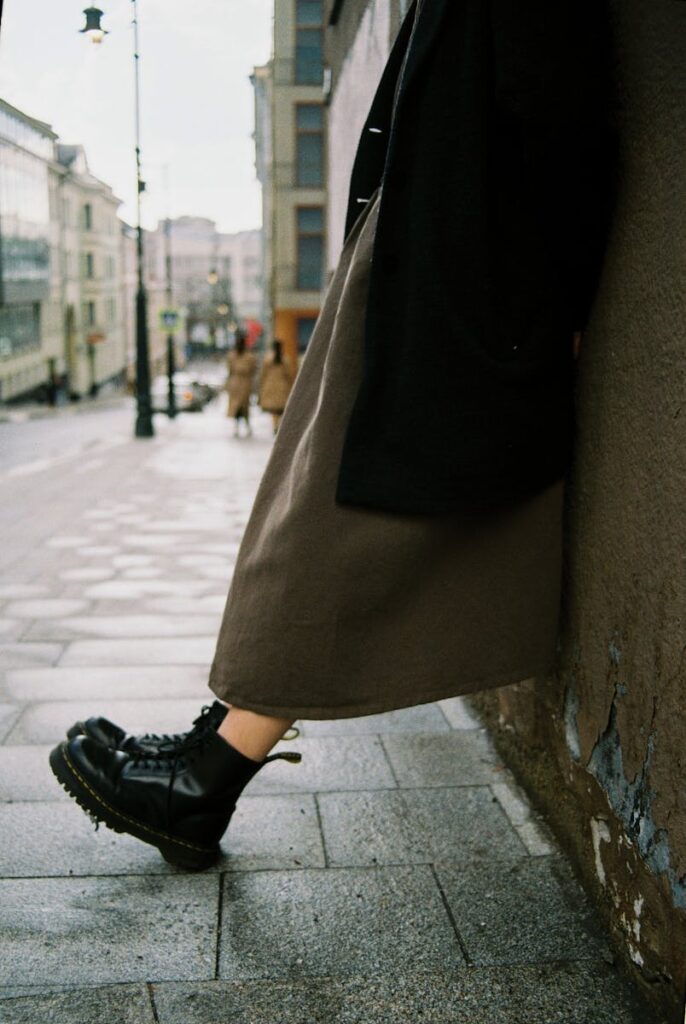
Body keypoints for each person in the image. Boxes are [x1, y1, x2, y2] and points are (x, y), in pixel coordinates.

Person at [49, 0, 618, 870]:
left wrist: (554, 308)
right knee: (302, 509)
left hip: (457, 275)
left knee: (323, 524)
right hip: (425, 258)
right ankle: (215, 753)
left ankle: (209, 776)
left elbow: (568, 127)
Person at [225, 329, 257, 437]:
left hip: (241, 384)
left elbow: (252, 369)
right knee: (238, 407)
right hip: (239, 383)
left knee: (243, 407)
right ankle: (241, 427)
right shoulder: (245, 356)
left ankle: (243, 426)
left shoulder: (246, 356)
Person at [259, 338, 294, 434]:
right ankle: (278, 425)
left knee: (274, 410)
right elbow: (289, 375)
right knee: (281, 409)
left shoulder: (267, 359)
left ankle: (275, 425)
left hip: (270, 386)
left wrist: (262, 387)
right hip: (283, 386)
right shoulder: (285, 359)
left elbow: (263, 374)